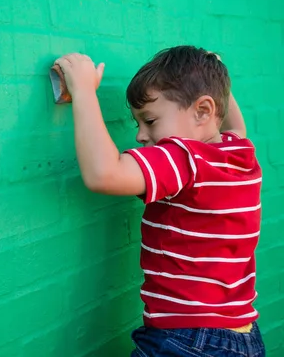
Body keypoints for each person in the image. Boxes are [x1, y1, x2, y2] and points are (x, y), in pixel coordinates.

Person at [54, 46, 265, 356]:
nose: (141, 135)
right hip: (242, 337)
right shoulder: (237, 152)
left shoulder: (184, 158)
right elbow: (233, 125)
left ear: (204, 112)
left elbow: (104, 174)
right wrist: (217, 73)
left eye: (150, 121)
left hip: (188, 339)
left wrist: (84, 90)